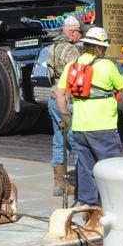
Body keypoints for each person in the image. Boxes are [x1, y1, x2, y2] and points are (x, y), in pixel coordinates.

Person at [53, 26, 123, 208]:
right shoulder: (106, 66)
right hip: (104, 127)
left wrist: (65, 116)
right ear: (101, 48)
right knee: (109, 167)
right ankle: (111, 204)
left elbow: (59, 93)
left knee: (86, 167)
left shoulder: (73, 65)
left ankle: (86, 203)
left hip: (80, 127)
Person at [46, 16, 83, 196]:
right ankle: (77, 183)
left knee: (59, 142)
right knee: (77, 142)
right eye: (79, 32)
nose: (80, 36)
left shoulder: (51, 48)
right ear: (73, 32)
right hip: (67, 101)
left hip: (53, 98)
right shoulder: (72, 51)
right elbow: (76, 78)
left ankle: (59, 184)